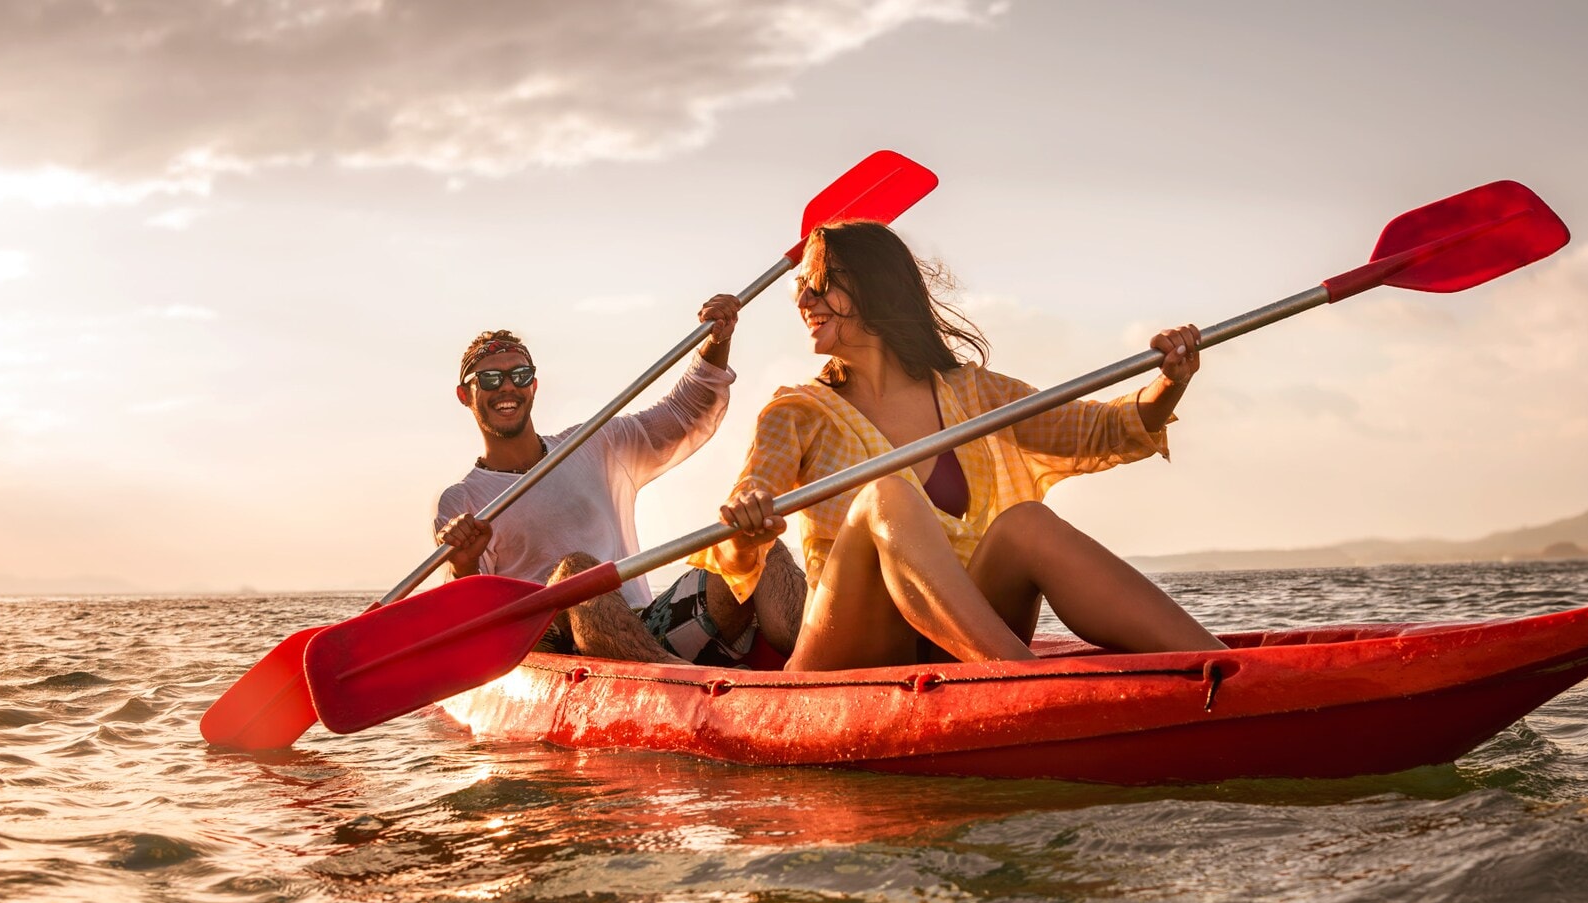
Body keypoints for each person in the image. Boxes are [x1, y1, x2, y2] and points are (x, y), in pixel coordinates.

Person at [692, 221, 1226, 671]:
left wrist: (1169, 381)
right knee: (886, 496)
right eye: (799, 291)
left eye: (819, 284)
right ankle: (1023, 680)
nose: (804, 301)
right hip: (850, 653)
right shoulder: (798, 410)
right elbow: (749, 505)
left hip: (957, 645)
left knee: (1026, 521)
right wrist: (748, 515)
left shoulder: (971, 391)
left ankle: (1227, 669)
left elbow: (1099, 430)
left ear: (873, 288)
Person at [434, 296, 805, 666]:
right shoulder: (462, 500)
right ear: (465, 394)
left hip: (645, 630)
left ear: (533, 386)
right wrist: (464, 566)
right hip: (560, 654)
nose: (507, 388)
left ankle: (819, 662)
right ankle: (674, 682)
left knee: (754, 542)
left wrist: (717, 340)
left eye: (520, 376)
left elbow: (686, 412)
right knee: (577, 570)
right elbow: (473, 622)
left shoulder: (591, 442)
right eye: (490, 379)